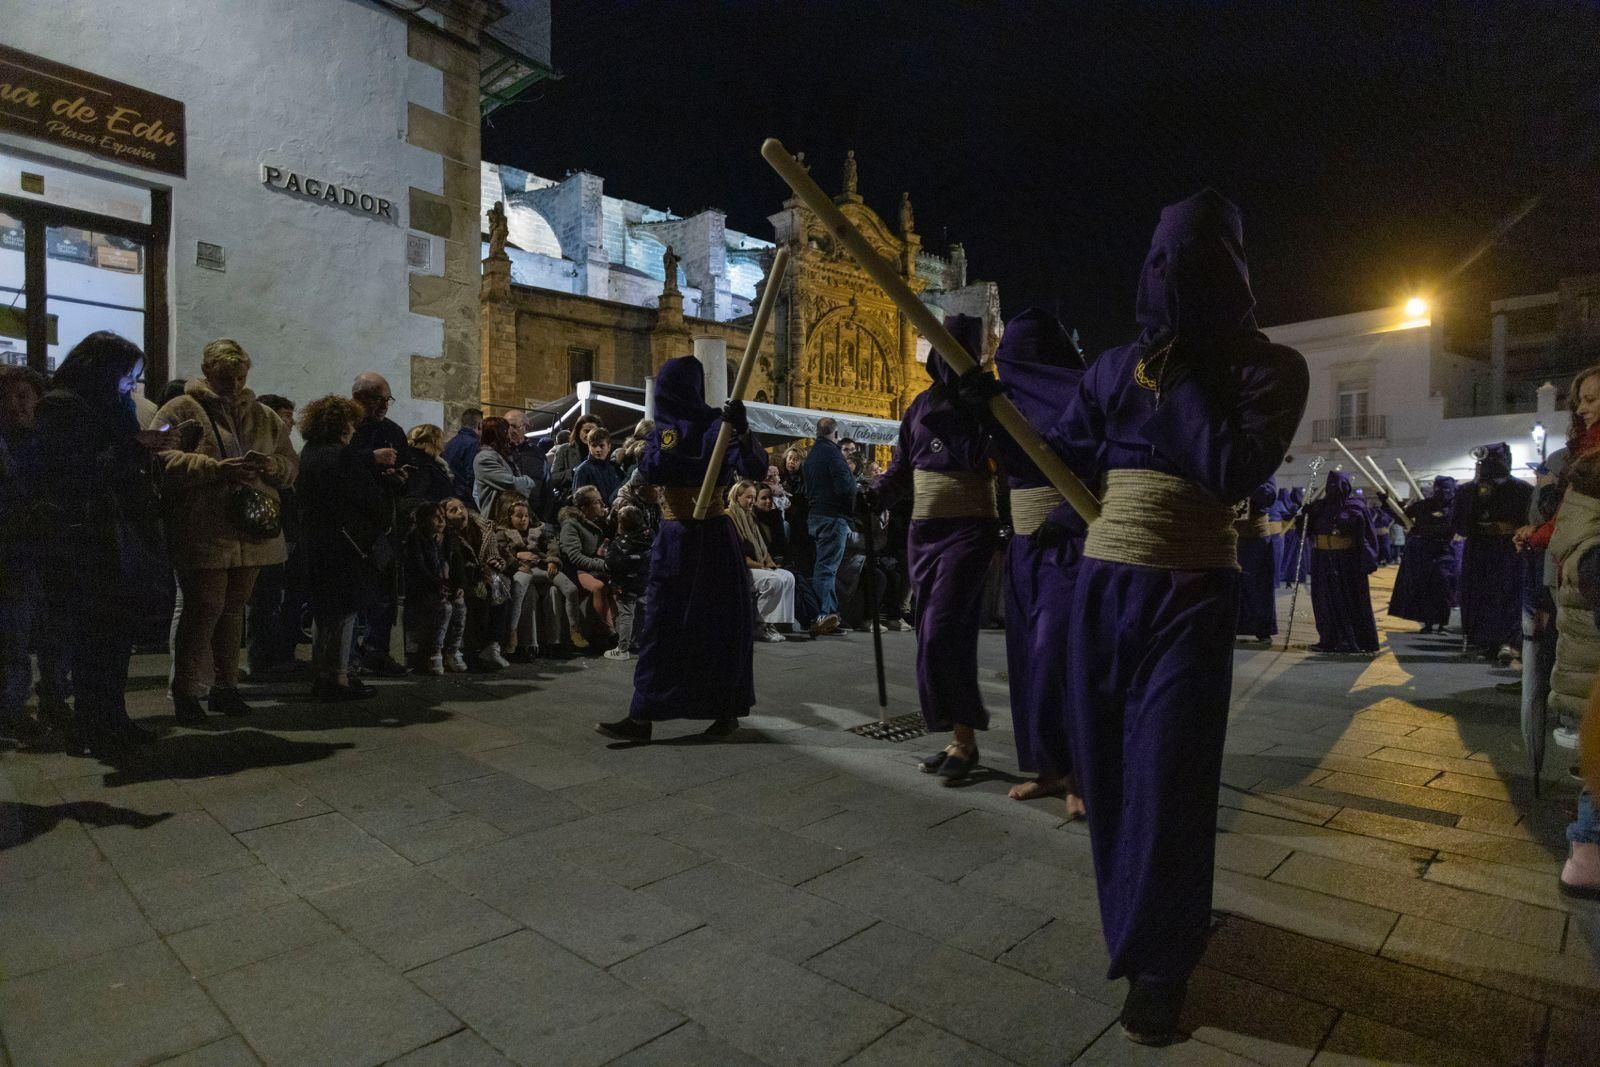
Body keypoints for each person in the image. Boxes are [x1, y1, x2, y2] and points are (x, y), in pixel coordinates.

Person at [1038, 191, 1308, 1041]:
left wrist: (1178, 375)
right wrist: (986, 412)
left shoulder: (1271, 370)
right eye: (1159, 260)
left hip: (1191, 589)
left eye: (1188, 263)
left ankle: (1162, 964)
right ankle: (1137, 921)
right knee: (1108, 775)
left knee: (1170, 777)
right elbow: (1060, 455)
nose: (1168, 278)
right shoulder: (1113, 366)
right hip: (1103, 588)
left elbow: (1229, 466)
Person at [597, 356, 766, 741]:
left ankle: (725, 710)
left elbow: (754, 468)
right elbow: (654, 470)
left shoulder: (718, 426)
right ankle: (642, 714)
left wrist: (742, 432)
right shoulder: (669, 430)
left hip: (711, 537)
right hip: (676, 537)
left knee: (718, 625)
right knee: (662, 624)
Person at [871, 314, 999, 785]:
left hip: (969, 529)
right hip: (924, 533)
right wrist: (874, 495)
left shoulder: (987, 401)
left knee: (945, 629)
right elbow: (902, 467)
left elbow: (993, 456)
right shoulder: (920, 405)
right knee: (929, 631)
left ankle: (965, 738)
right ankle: (959, 737)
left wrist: (978, 410)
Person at [33, 332, 177, 752]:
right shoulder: (61, 406)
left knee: (116, 635)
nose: (131, 383)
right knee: (93, 637)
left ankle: (113, 718)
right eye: (127, 374)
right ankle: (91, 726)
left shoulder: (113, 406)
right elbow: (73, 471)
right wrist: (134, 445)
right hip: (84, 540)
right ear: (102, 369)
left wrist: (142, 447)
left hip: (116, 534)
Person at [153, 339, 298, 722]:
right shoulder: (180, 409)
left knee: (233, 610)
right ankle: (186, 691)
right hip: (204, 525)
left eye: (240, 378)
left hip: (251, 527)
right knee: (203, 609)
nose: (234, 386)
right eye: (225, 378)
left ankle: (225, 686)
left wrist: (271, 467)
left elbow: (290, 463)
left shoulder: (264, 416)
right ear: (207, 372)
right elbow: (159, 458)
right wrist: (214, 468)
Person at [989, 307, 1088, 808]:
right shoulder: (1004, 400)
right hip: (1025, 544)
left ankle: (1081, 773)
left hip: (1068, 545)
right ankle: (1049, 767)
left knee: (1057, 654)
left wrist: (1067, 518)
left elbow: (1102, 463)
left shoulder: (1083, 395)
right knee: (1028, 658)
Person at [296, 395, 382, 700]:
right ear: (341, 424)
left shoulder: (309, 452)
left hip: (316, 541)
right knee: (344, 613)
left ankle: (322, 674)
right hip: (343, 545)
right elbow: (367, 498)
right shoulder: (341, 456)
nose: (354, 430)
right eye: (352, 423)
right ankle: (338, 677)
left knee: (323, 612)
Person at [0, 365, 65, 743]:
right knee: (14, 638)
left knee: (54, 634)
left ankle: (54, 700)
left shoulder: (47, 443)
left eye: (24, 396)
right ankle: (11, 710)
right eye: (6, 397)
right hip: (13, 555)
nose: (15, 405)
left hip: (47, 552)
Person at [349, 372, 409, 675]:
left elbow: (407, 468)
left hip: (383, 522)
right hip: (351, 524)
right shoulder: (345, 428)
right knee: (352, 592)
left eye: (388, 399)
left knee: (384, 592)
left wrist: (401, 477)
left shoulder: (393, 431)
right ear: (358, 398)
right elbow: (336, 464)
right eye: (377, 399)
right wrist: (370, 459)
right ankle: (348, 659)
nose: (384, 405)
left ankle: (377, 652)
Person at [1455, 442, 1534, 663]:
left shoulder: (1522, 489)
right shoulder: (1468, 491)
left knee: (1509, 593)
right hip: (1479, 549)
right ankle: (1485, 640)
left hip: (1508, 549)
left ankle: (1509, 641)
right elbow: (1460, 524)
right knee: (1479, 594)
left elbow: (1529, 519)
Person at [1306, 469, 1381, 654]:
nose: (1336, 489)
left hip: (1348, 562)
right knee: (1324, 600)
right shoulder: (1319, 506)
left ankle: (1353, 640)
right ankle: (1328, 639)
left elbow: (1367, 534)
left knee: (1349, 600)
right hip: (1322, 559)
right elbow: (1307, 531)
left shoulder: (1356, 506)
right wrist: (1305, 516)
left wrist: (1368, 559)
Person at [446, 496, 514, 669]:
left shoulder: (483, 528)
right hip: (463, 578)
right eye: (453, 510)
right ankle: (476, 651)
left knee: (500, 585)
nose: (460, 512)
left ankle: (493, 646)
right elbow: (456, 564)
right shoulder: (449, 536)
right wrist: (478, 571)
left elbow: (493, 553)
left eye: (462, 507)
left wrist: (495, 562)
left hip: (484, 574)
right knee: (479, 594)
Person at [1390, 475, 1462, 634]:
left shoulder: (1457, 507)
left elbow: (1463, 525)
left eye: (1446, 489)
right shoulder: (1424, 505)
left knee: (1443, 586)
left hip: (1445, 551)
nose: (1442, 493)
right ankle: (1428, 623)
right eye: (1439, 489)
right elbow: (1402, 518)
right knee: (1426, 587)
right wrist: (1388, 504)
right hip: (1425, 551)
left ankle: (1442, 623)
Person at [729, 478, 797, 642]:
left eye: (753, 497)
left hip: (756, 565)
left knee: (788, 577)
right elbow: (738, 554)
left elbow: (762, 547)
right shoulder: (730, 517)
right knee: (773, 581)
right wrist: (762, 566)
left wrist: (769, 562)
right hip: (741, 568)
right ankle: (759, 625)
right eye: (748, 497)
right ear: (737, 497)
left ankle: (774, 623)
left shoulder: (749, 517)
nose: (752, 501)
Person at [803, 417, 857, 622]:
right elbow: (845, 487)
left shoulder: (812, 455)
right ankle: (824, 614)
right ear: (835, 434)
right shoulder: (833, 455)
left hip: (816, 514)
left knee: (825, 565)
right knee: (826, 568)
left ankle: (831, 614)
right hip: (832, 516)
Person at [559, 484, 615, 649]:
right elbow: (575, 557)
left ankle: (612, 629)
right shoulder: (571, 525)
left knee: (616, 584)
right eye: (597, 502)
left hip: (592, 566)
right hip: (575, 570)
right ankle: (604, 631)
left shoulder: (596, 521)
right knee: (598, 586)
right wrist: (603, 565)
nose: (602, 505)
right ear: (584, 507)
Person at [603, 504, 654, 660]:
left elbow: (610, 564)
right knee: (641, 611)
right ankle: (637, 642)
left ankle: (622, 649)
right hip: (644, 582)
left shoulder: (619, 544)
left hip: (625, 585)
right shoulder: (649, 536)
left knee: (626, 614)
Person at [1234, 481, 1282, 643]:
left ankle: (1262, 628)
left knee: (1259, 584)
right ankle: (1233, 626)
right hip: (1229, 536)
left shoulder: (1262, 473)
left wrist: (1249, 482)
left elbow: (1269, 496)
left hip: (1255, 536)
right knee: (1232, 585)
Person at [473, 415, 538, 520]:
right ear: (498, 434)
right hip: (497, 518)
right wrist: (528, 481)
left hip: (509, 516)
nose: (509, 434)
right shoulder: (484, 458)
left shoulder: (503, 455)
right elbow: (511, 484)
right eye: (506, 430)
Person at [546, 414, 603, 510]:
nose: (589, 435)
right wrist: (573, 472)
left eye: (593, 431)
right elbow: (554, 478)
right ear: (578, 431)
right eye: (586, 431)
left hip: (595, 505)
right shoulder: (564, 449)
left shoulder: (602, 452)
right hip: (571, 504)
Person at [403, 423, 457, 507]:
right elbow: (415, 497)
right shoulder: (426, 466)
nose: (443, 445)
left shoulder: (412, 460)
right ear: (435, 442)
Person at [572, 424, 625, 505]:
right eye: (594, 446)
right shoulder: (582, 470)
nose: (598, 449)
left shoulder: (615, 468)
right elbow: (577, 501)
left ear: (609, 447)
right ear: (589, 446)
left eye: (601, 445)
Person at [441, 408, 482, 504]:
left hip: (452, 492)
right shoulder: (473, 444)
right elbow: (472, 474)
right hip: (465, 497)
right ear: (480, 425)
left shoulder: (451, 442)